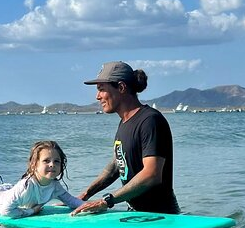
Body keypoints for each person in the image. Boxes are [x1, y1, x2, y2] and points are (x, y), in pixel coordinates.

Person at [72, 61, 180, 215]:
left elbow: (152, 175)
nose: (97, 96)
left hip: (160, 215)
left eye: (101, 89)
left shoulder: (150, 121)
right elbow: (117, 164)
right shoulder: (124, 123)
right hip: (136, 214)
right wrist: (85, 195)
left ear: (121, 87)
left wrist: (107, 201)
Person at [0, 140, 85, 218]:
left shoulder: (55, 186)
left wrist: (94, 205)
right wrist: (31, 212)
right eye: (46, 161)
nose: (52, 165)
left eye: (57, 161)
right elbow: (6, 211)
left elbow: (72, 202)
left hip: (6, 191)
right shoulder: (26, 186)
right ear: (34, 164)